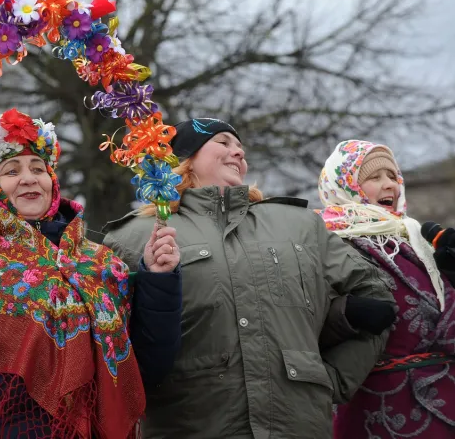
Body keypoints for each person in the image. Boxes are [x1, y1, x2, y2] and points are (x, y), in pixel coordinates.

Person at [102, 118, 394, 439]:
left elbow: (376, 299)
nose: (238, 151)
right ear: (185, 157)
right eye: (223, 143)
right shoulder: (136, 236)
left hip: (297, 426)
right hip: (192, 424)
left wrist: (332, 378)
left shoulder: (297, 225)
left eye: (240, 146)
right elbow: (113, 347)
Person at [0, 109, 183, 438]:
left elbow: (147, 367)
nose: (29, 178)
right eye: (11, 171)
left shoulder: (101, 263)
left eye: (39, 168)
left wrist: (159, 280)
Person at [318, 140, 455, 438]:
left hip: (445, 401)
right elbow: (307, 319)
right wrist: (345, 315)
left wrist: (451, 275)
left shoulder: (416, 240)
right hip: (377, 407)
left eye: (393, 176)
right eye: (374, 177)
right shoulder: (325, 242)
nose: (389, 185)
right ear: (346, 185)